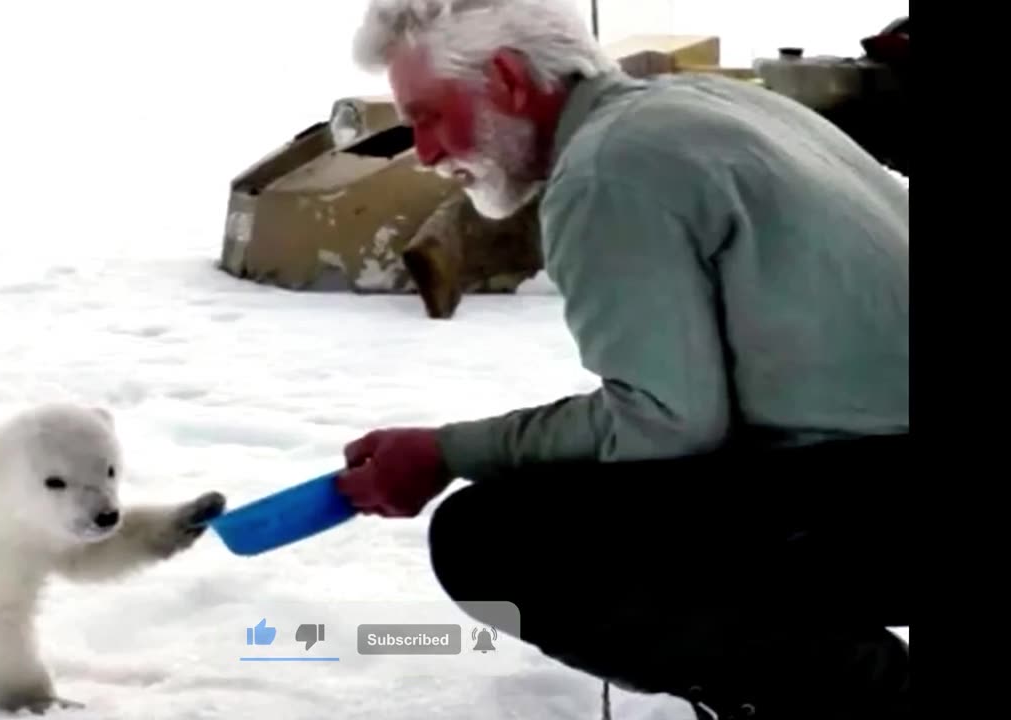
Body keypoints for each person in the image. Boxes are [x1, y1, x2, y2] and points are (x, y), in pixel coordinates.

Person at [334, 1, 910, 718]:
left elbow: (666, 426)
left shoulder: (607, 171)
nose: (423, 152)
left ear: (510, 80)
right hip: (878, 461)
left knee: (497, 542)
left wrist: (447, 453)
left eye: (428, 116)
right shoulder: (713, 104)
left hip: (881, 482)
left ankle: (858, 698)